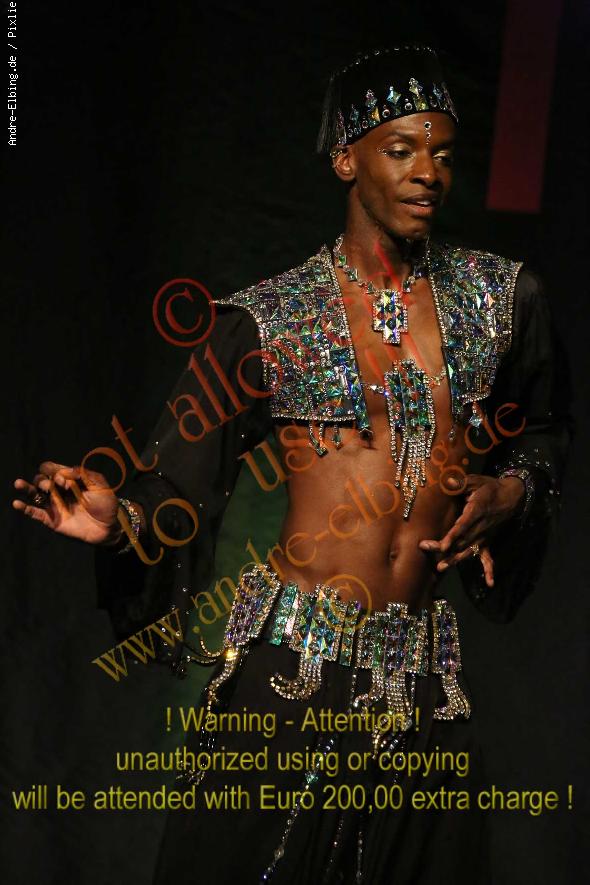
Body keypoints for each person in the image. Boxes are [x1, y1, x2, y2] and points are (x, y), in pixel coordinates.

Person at [13, 46, 570, 884]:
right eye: (401, 150)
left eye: (445, 154)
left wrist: (515, 489)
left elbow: (546, 430)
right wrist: (119, 518)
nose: (429, 173)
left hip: (424, 677)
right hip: (290, 668)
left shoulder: (504, 301)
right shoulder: (267, 318)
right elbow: (174, 483)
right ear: (347, 159)